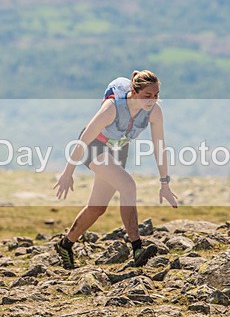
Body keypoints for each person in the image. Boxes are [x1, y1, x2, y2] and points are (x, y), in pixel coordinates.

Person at [53, 70, 178, 270]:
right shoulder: (112, 108)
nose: (152, 100)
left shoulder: (155, 112)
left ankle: (65, 245)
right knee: (128, 186)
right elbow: (84, 139)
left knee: (97, 207)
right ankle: (137, 248)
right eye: (147, 95)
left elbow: (159, 147)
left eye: (156, 95)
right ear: (134, 92)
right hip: (93, 146)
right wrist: (68, 173)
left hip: (118, 149)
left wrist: (165, 184)